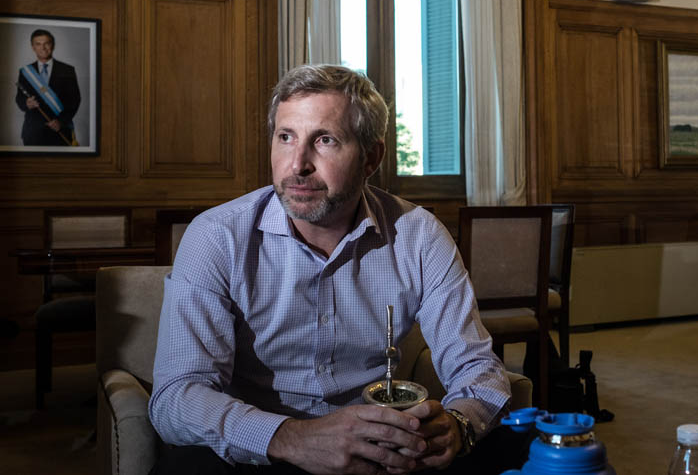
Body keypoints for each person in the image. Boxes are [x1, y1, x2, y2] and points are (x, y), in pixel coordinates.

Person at [149, 64, 518, 474]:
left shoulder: (419, 235)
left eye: (325, 140)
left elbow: (477, 369)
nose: (297, 164)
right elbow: (176, 398)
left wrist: (457, 425)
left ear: (371, 158)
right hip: (262, 453)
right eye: (285, 137)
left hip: (379, 451)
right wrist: (292, 438)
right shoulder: (217, 236)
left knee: (517, 447)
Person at [14, 29, 81, 146]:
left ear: (53, 45)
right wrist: (26, 103)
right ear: (33, 47)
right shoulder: (25, 72)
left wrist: (61, 122)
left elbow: (74, 100)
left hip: (59, 131)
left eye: (46, 43)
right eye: (38, 44)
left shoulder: (67, 70)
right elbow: (19, 99)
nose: (43, 48)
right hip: (33, 133)